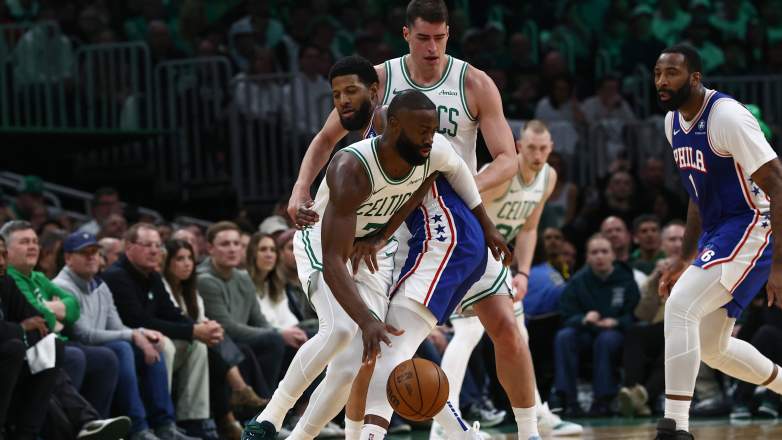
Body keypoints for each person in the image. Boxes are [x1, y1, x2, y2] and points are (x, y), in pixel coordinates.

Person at [284, 1, 540, 437]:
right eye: (423, 38)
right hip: (386, 224)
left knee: (506, 327)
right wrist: (300, 188)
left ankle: (530, 430)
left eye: (440, 38)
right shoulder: (379, 80)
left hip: (450, 221)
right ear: (406, 34)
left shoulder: (474, 82)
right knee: (379, 340)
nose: (432, 48)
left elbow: (508, 159)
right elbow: (327, 137)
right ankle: (358, 431)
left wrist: (463, 183)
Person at [244, 89, 507, 440]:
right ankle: (269, 418)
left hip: (368, 250)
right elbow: (335, 260)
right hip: (323, 244)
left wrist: (486, 226)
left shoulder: (431, 149)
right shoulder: (351, 168)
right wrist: (367, 320)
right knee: (339, 330)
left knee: (351, 364)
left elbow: (447, 177)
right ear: (395, 126)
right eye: (422, 130)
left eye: (434, 130)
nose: (430, 138)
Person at [653, 44, 782, 439]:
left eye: (671, 73)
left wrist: (779, 265)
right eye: (658, 73)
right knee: (712, 347)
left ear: (695, 77)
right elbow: (698, 194)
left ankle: (675, 427)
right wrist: (684, 257)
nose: (661, 81)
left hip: (751, 224)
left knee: (680, 306)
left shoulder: (726, 116)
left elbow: (777, 184)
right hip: (719, 230)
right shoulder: (672, 123)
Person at [434, 120, 582, 437]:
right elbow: (465, 212)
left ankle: (537, 412)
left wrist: (524, 273)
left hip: (498, 258)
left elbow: (529, 229)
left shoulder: (549, 177)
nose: (537, 155)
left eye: (543, 149)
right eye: (531, 147)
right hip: (469, 249)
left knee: (519, 335)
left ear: (551, 148)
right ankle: (444, 421)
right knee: (469, 331)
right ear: (518, 145)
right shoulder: (503, 175)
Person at [53, 231, 191, 440]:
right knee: (122, 347)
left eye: (95, 252)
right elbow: (84, 334)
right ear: (68, 258)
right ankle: (138, 428)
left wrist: (141, 334)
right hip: (81, 347)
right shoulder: (62, 286)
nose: (91, 257)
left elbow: (116, 325)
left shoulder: (100, 285)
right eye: (84, 253)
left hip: (100, 346)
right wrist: (134, 334)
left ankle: (164, 425)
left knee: (152, 342)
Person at [102, 223, 221, 439]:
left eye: (158, 245)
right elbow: (138, 320)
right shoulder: (116, 276)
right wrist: (192, 330)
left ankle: (192, 420)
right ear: (129, 247)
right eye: (147, 245)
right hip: (127, 342)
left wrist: (198, 329)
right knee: (163, 345)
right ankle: (159, 423)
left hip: (148, 338)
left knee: (197, 347)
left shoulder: (152, 276)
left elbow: (170, 311)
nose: (155, 251)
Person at [0, 221, 120, 417]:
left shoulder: (38, 277)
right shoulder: (11, 278)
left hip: (51, 342)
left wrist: (51, 311)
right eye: (24, 242)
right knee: (70, 356)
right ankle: (77, 426)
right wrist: (54, 311)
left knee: (106, 358)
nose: (32, 246)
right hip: (32, 346)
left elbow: (74, 309)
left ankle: (98, 425)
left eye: (34, 241)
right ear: (7, 250)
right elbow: (42, 318)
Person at [164, 239, 265, 440]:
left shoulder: (189, 288)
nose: (186, 264)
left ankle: (243, 416)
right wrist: (205, 329)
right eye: (180, 259)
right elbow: (175, 320)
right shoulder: (163, 286)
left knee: (225, 343)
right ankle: (236, 404)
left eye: (189, 259)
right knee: (213, 349)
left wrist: (210, 328)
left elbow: (200, 318)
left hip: (191, 341)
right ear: (167, 263)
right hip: (172, 341)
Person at [554, 234, 640, 417]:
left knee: (606, 339)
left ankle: (603, 400)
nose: (599, 256)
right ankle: (568, 400)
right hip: (586, 331)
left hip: (616, 333)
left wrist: (616, 322)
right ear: (587, 257)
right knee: (564, 337)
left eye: (604, 251)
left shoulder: (626, 279)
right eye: (594, 252)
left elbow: (635, 314)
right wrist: (583, 319)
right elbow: (566, 315)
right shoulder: (577, 281)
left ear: (613, 256)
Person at [618, 221, 685, 418]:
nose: (678, 244)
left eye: (682, 239)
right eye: (672, 239)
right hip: (660, 326)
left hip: (690, 326)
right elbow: (642, 314)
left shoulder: (701, 266)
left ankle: (642, 397)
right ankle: (632, 392)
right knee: (635, 332)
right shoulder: (659, 271)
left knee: (674, 340)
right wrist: (656, 278)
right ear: (663, 245)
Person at [0, 235, 58, 440]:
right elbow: (25, 324)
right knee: (14, 348)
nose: (1, 261)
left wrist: (24, 329)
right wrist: (21, 328)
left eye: (3, 255)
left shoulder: (5, 281)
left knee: (53, 345)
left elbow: (39, 319)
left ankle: (27, 434)